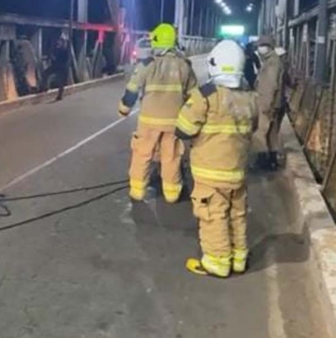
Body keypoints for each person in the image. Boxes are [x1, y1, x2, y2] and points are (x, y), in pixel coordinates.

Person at [175, 40, 258, 278]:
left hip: (210, 172)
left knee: (213, 216)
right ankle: (239, 258)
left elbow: (183, 129)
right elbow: (253, 128)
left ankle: (217, 262)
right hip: (238, 171)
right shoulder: (249, 98)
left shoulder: (206, 96)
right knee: (237, 213)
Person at [118, 23, 198, 203]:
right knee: (171, 157)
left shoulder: (147, 65)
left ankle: (137, 191)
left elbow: (132, 89)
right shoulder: (184, 66)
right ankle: (172, 193)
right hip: (173, 123)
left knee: (142, 155)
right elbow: (194, 97)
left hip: (148, 123)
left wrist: (123, 110)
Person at [255, 35, 286, 171]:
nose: (260, 48)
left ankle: (263, 162)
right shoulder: (271, 60)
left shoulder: (272, 62)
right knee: (272, 135)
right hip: (274, 103)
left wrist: (266, 105)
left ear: (268, 47)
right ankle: (272, 162)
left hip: (268, 104)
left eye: (262, 45)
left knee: (261, 134)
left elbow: (271, 85)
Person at [41, 32, 70, 101]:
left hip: (61, 67)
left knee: (60, 81)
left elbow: (63, 59)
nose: (59, 42)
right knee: (46, 73)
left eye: (61, 40)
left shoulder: (65, 50)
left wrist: (54, 58)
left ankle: (59, 95)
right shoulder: (58, 48)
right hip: (57, 66)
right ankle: (45, 87)